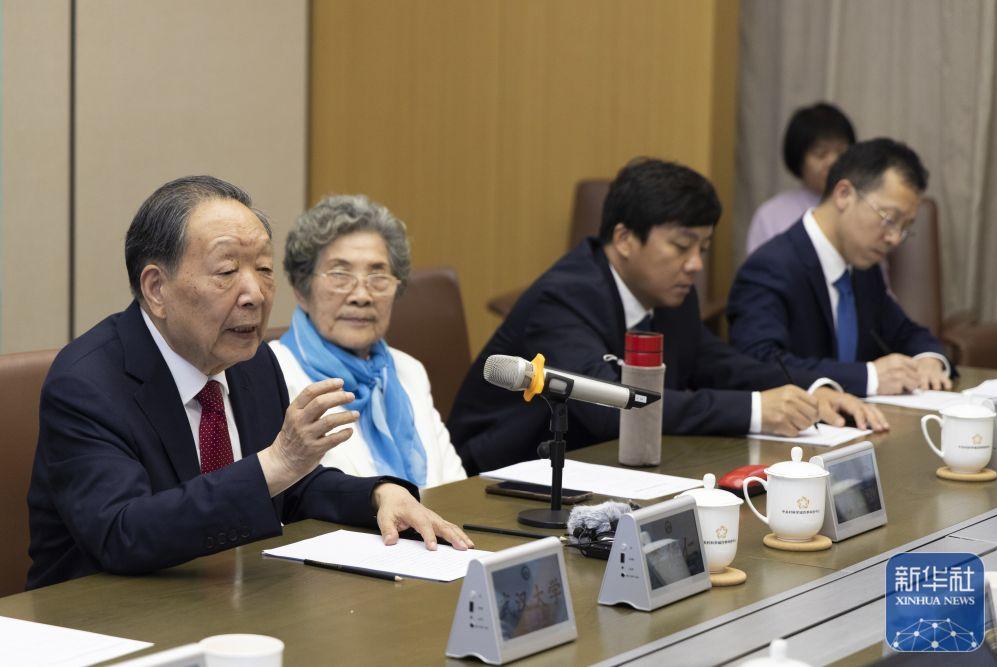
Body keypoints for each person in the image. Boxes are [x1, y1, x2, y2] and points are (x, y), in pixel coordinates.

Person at [26, 176, 473, 590]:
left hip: (230, 602)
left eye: (263, 269)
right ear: (157, 289)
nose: (255, 294)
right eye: (227, 272)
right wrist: (275, 463)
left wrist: (377, 494)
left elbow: (288, 488)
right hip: (104, 617)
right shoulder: (88, 383)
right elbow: (122, 533)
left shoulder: (251, 361)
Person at [447, 158, 886, 475]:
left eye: (703, 249)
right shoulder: (563, 297)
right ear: (624, 238)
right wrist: (756, 410)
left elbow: (719, 363)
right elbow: (609, 405)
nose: (695, 265)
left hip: (601, 466)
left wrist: (811, 390)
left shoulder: (671, 293)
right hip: (503, 474)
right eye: (681, 246)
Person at [727, 138, 952, 398]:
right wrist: (869, 377)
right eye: (890, 219)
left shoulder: (863, 266)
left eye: (905, 227)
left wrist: (928, 359)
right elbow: (760, 364)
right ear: (844, 194)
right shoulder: (770, 267)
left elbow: (904, 332)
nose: (894, 238)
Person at [270, 195, 466, 488]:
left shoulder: (408, 371)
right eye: (340, 275)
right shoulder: (272, 377)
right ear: (301, 289)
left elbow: (454, 489)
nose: (362, 295)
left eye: (377, 276)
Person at [746, 102, 856, 255]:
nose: (833, 162)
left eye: (841, 152)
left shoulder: (864, 207)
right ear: (799, 158)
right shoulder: (771, 215)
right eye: (820, 154)